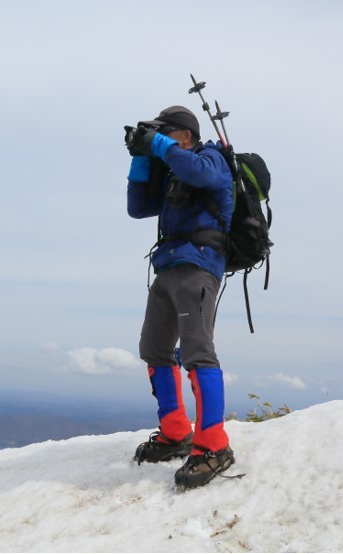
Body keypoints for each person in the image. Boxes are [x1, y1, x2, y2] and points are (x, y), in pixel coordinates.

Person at [125, 105, 236, 489]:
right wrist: (142, 159)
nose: (159, 139)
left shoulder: (212, 159)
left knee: (196, 351)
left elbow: (200, 173)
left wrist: (156, 145)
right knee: (154, 348)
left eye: (165, 133)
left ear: (184, 136)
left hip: (198, 265)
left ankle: (213, 445)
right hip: (168, 267)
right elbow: (137, 208)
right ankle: (176, 433)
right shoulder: (174, 171)